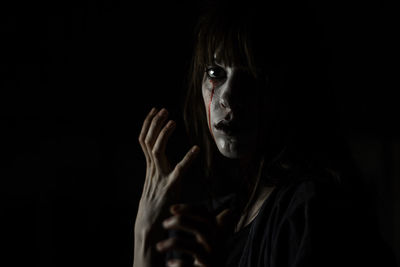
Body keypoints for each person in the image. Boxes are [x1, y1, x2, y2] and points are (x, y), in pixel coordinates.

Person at [133, 1, 396, 266]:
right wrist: (144, 234)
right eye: (215, 73)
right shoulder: (207, 223)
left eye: (252, 74)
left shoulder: (313, 213)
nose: (227, 97)